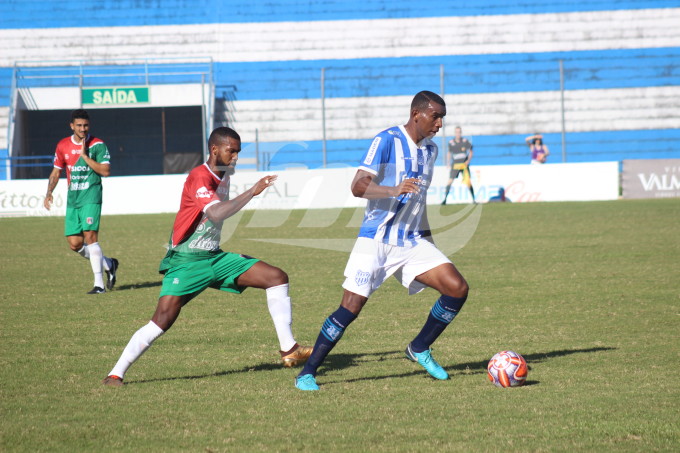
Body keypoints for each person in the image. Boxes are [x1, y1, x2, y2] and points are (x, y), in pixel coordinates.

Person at [102, 127, 312, 387]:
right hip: (187, 260)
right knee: (162, 319)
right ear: (215, 150)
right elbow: (216, 214)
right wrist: (252, 192)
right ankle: (115, 374)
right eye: (231, 151)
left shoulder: (224, 174)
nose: (235, 156)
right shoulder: (200, 176)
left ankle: (288, 349)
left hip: (214, 257)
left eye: (237, 152)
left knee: (276, 277)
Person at [295, 91, 470, 391]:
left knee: (457, 288)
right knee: (350, 308)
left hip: (411, 242)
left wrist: (429, 239)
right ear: (417, 114)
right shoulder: (387, 140)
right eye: (435, 116)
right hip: (375, 240)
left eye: (443, 117)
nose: (439, 123)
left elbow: (420, 200)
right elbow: (357, 186)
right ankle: (307, 372)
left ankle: (419, 347)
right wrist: (393, 189)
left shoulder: (430, 151)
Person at [44, 109, 118, 294]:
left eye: (85, 125)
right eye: (79, 125)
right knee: (75, 244)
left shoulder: (98, 145)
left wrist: (85, 157)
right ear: (72, 126)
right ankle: (109, 263)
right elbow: (56, 171)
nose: (83, 129)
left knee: (91, 237)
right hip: (73, 199)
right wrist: (48, 192)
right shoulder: (62, 145)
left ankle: (99, 285)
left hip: (91, 197)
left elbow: (106, 171)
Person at [441, 126, 475, 204]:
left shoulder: (465, 141)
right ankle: (445, 200)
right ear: (455, 133)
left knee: (468, 182)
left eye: (459, 132)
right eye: (456, 132)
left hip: (463, 165)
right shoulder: (451, 142)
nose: (458, 134)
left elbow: (471, 151)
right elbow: (449, 153)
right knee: (450, 181)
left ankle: (474, 200)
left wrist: (468, 161)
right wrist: (448, 162)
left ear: (461, 133)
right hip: (455, 165)